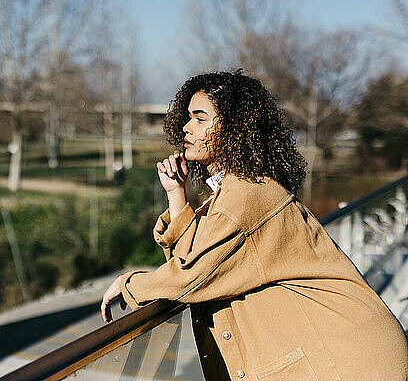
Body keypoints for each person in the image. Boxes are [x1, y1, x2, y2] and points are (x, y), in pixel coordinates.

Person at [100, 70, 408, 380]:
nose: (186, 126)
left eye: (200, 118)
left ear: (235, 128)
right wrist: (175, 195)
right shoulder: (237, 189)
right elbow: (196, 260)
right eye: (187, 117)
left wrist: (130, 285)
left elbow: (191, 277)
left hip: (350, 357)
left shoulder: (245, 194)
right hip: (344, 347)